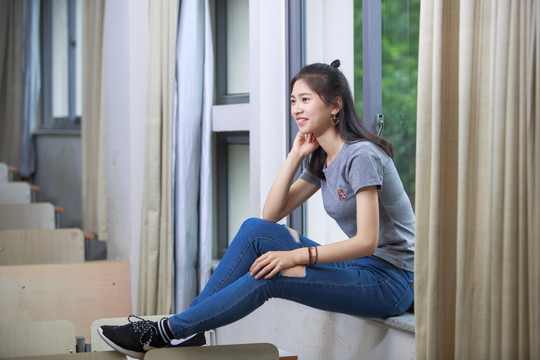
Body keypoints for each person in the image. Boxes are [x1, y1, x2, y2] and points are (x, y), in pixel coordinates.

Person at [99, 60, 415, 359]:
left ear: (335, 105)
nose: (297, 109)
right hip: (358, 267)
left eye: (305, 99)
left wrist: (294, 256)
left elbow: (367, 242)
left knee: (271, 275)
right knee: (255, 230)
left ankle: (168, 329)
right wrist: (295, 156)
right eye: (293, 101)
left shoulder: (361, 155)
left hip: (392, 280)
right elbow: (270, 216)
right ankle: (187, 329)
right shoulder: (322, 159)